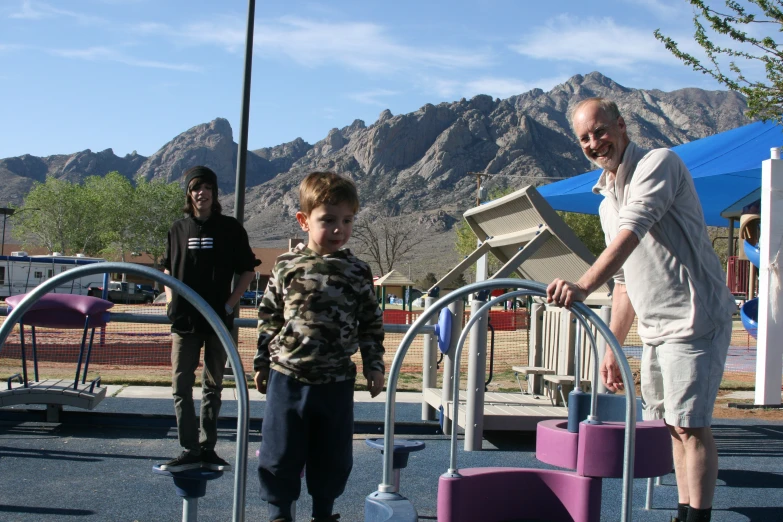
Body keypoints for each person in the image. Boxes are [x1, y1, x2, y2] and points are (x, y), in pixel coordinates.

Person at [546, 98, 735, 522]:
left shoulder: (658, 165)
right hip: (654, 328)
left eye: (600, 131)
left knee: (691, 424)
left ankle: (697, 518)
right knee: (670, 424)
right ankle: (684, 512)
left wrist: (581, 284)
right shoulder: (604, 202)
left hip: (692, 317)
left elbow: (634, 232)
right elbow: (626, 282)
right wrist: (613, 348)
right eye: (585, 139)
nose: (595, 143)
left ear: (621, 124)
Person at [253, 171, 385, 522]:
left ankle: (323, 514)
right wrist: (261, 363)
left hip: (336, 381)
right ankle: (280, 514)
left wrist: (375, 365)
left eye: (347, 220)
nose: (339, 228)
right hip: (288, 378)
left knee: (332, 457)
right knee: (279, 453)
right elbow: (268, 318)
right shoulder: (286, 266)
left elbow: (371, 324)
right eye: (328, 220)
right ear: (304, 221)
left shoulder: (357, 271)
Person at [159, 165, 258, 472]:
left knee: (213, 386)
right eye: (195, 188)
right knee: (180, 385)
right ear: (189, 194)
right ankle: (188, 448)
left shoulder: (230, 229)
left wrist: (230, 305)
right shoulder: (177, 229)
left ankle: (207, 447)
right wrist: (170, 299)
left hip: (218, 322)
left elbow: (247, 270)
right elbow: (166, 269)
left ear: (215, 193)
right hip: (185, 323)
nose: (201, 193)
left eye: (207, 188)